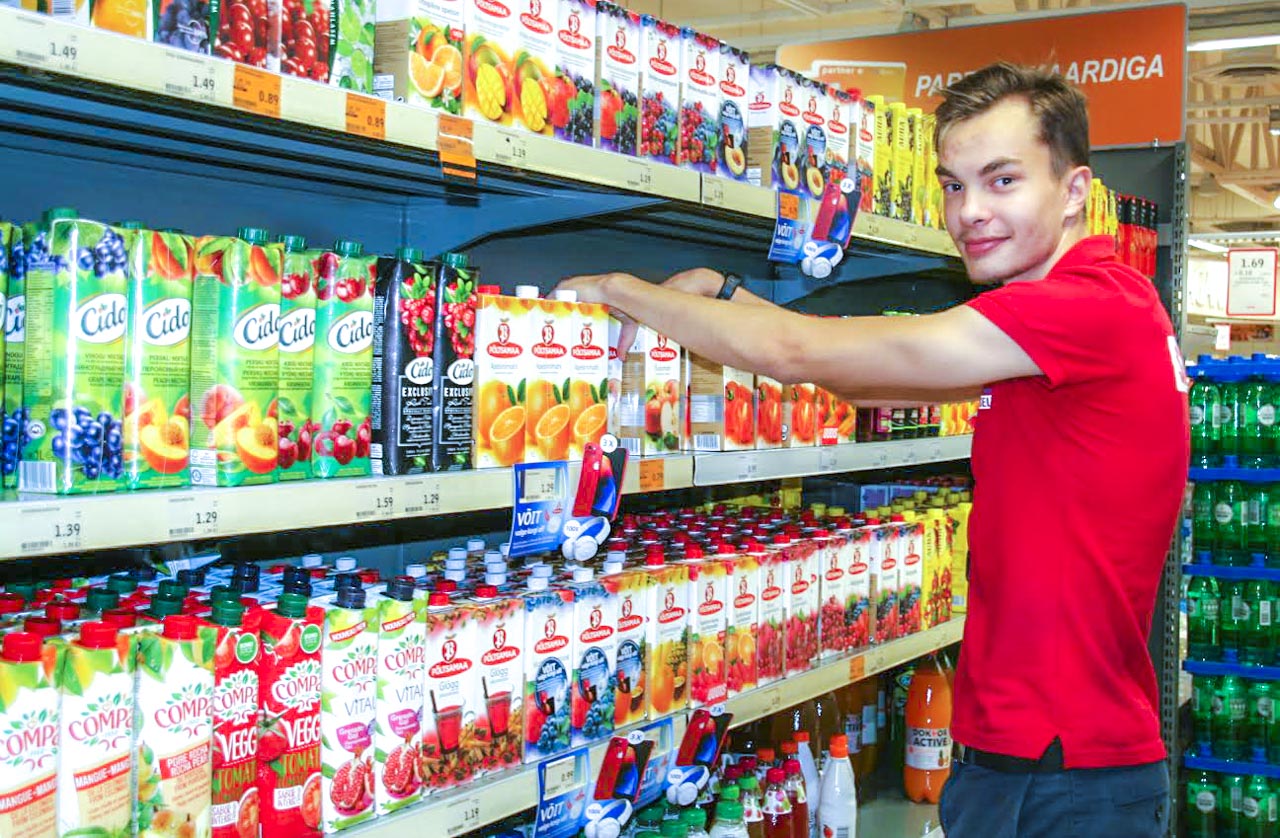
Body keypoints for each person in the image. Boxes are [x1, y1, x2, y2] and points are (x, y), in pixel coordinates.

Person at [559, 62, 1187, 837]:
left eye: (1002, 181)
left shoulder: (1085, 309)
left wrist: (621, 290)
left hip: (1062, 771)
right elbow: (865, 383)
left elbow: (797, 353)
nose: (970, 213)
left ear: (1076, 190)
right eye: (954, 186)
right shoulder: (1077, 316)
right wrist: (726, 294)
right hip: (1034, 755)